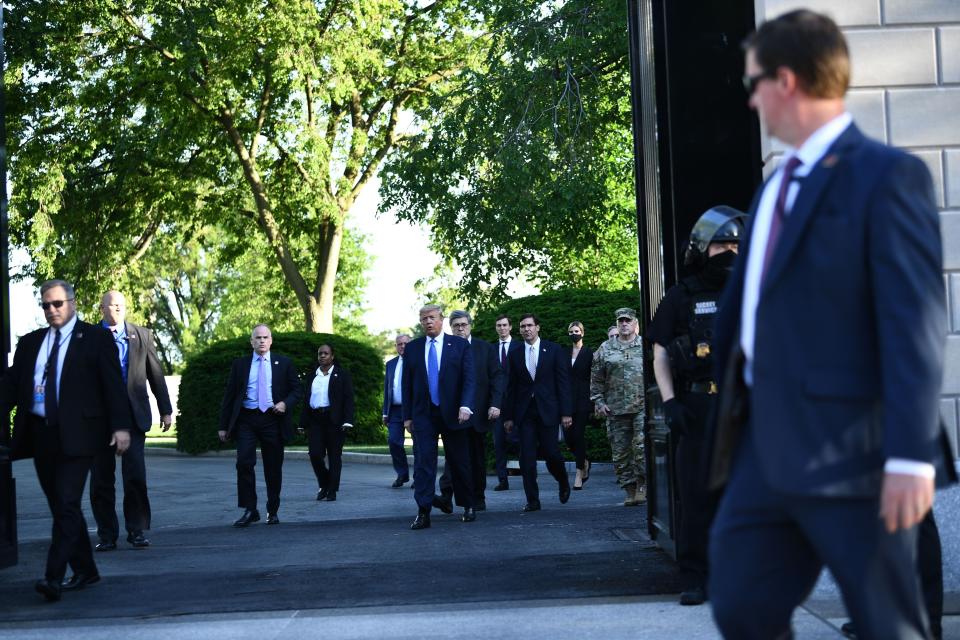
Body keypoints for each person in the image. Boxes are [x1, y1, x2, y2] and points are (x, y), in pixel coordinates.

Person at [707, 10, 953, 639]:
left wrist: (910, 456)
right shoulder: (770, 190)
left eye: (753, 81)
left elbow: (914, 323)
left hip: (856, 454)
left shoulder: (887, 178)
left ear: (785, 81)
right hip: (766, 450)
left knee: (888, 626)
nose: (750, 96)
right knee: (741, 605)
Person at [0, 279, 132, 602]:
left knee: (67, 501)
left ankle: (53, 577)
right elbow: (12, 385)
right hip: (42, 434)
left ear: (72, 303)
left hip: (81, 436)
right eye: (45, 305)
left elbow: (113, 386)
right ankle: (87, 569)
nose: (51, 310)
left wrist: (121, 427)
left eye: (57, 304)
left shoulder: (96, 338)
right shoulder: (31, 343)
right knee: (62, 506)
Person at [647, 206, 746, 606]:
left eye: (737, 245)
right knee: (697, 495)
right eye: (722, 244)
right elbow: (659, 353)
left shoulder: (753, 290)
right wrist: (670, 403)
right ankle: (696, 577)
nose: (730, 252)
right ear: (703, 248)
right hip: (697, 407)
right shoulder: (681, 296)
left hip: (743, 408)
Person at [89, 290, 173, 551]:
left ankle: (136, 530)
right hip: (100, 419)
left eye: (121, 306)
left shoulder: (142, 335)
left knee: (135, 476)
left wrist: (166, 409)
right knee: (101, 479)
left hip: (134, 416)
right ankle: (106, 535)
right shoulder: (90, 338)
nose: (117, 310)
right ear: (102, 308)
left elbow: (156, 375)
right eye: (112, 305)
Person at [218, 324, 301, 527]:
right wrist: (223, 425)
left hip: (273, 419)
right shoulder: (240, 365)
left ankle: (272, 511)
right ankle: (250, 509)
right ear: (252, 341)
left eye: (265, 337)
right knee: (244, 463)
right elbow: (229, 396)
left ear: (271, 340)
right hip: (247, 419)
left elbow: (298, 390)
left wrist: (284, 404)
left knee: (273, 467)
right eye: (258, 338)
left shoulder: (284, 363)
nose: (262, 341)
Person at [401, 304, 476, 529]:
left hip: (454, 413)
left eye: (432, 318)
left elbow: (469, 379)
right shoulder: (413, 348)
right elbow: (407, 385)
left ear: (441, 319)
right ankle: (423, 512)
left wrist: (466, 406)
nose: (428, 322)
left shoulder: (459, 345)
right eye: (424, 319)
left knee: (459, 461)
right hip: (424, 415)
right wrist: (407, 416)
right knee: (424, 463)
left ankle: (468, 505)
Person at [436, 310, 504, 513]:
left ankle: (478, 497)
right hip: (452, 413)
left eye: (463, 324)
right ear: (451, 327)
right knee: (452, 457)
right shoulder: (445, 348)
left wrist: (496, 404)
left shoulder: (485, 348)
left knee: (475, 458)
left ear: (470, 325)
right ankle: (447, 496)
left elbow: (497, 377)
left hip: (479, 413)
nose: (460, 328)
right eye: (456, 325)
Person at [502, 313, 572, 512]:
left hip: (548, 410)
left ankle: (563, 480)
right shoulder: (515, 354)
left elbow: (563, 383)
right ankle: (532, 499)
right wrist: (508, 416)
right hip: (525, 413)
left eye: (530, 325)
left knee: (552, 454)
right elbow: (511, 387)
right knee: (527, 458)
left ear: (538, 327)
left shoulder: (553, 350)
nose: (526, 329)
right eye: (523, 326)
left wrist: (566, 412)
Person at [591, 308, 646, 507]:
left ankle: (643, 485)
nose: (624, 324)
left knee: (641, 449)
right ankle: (629, 490)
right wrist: (599, 401)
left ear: (634, 323)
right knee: (620, 453)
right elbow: (596, 379)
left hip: (641, 406)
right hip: (615, 409)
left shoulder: (645, 345)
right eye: (620, 321)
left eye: (627, 321)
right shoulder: (605, 348)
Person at [300, 343, 355, 502]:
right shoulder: (312, 376)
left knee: (334, 456)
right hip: (316, 420)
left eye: (325, 353)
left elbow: (348, 399)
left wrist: (348, 420)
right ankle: (324, 483)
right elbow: (306, 400)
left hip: (334, 420)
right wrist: (302, 423)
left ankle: (332, 490)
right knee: (315, 454)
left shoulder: (341, 374)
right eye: (320, 354)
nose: (322, 356)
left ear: (332, 356)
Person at [491, 314, 521, 491]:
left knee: (520, 440)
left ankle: (528, 474)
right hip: (497, 403)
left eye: (504, 325)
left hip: (517, 401)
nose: (502, 328)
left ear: (510, 327)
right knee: (499, 442)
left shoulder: (520, 346)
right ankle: (502, 479)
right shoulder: (491, 349)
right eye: (498, 325)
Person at [566, 321, 593, 490]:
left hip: (583, 399)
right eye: (571, 331)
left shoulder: (589, 353)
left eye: (576, 331)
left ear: (582, 333)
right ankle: (584, 460)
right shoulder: (563, 352)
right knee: (569, 439)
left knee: (578, 434)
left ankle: (578, 471)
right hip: (567, 400)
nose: (574, 334)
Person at [382, 334, 411, 487]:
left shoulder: (417, 361)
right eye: (399, 344)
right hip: (394, 410)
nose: (402, 346)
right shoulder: (390, 364)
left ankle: (420, 476)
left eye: (405, 343)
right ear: (396, 346)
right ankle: (402, 474)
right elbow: (387, 389)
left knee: (419, 445)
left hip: (412, 410)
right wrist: (385, 412)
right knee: (394, 442)